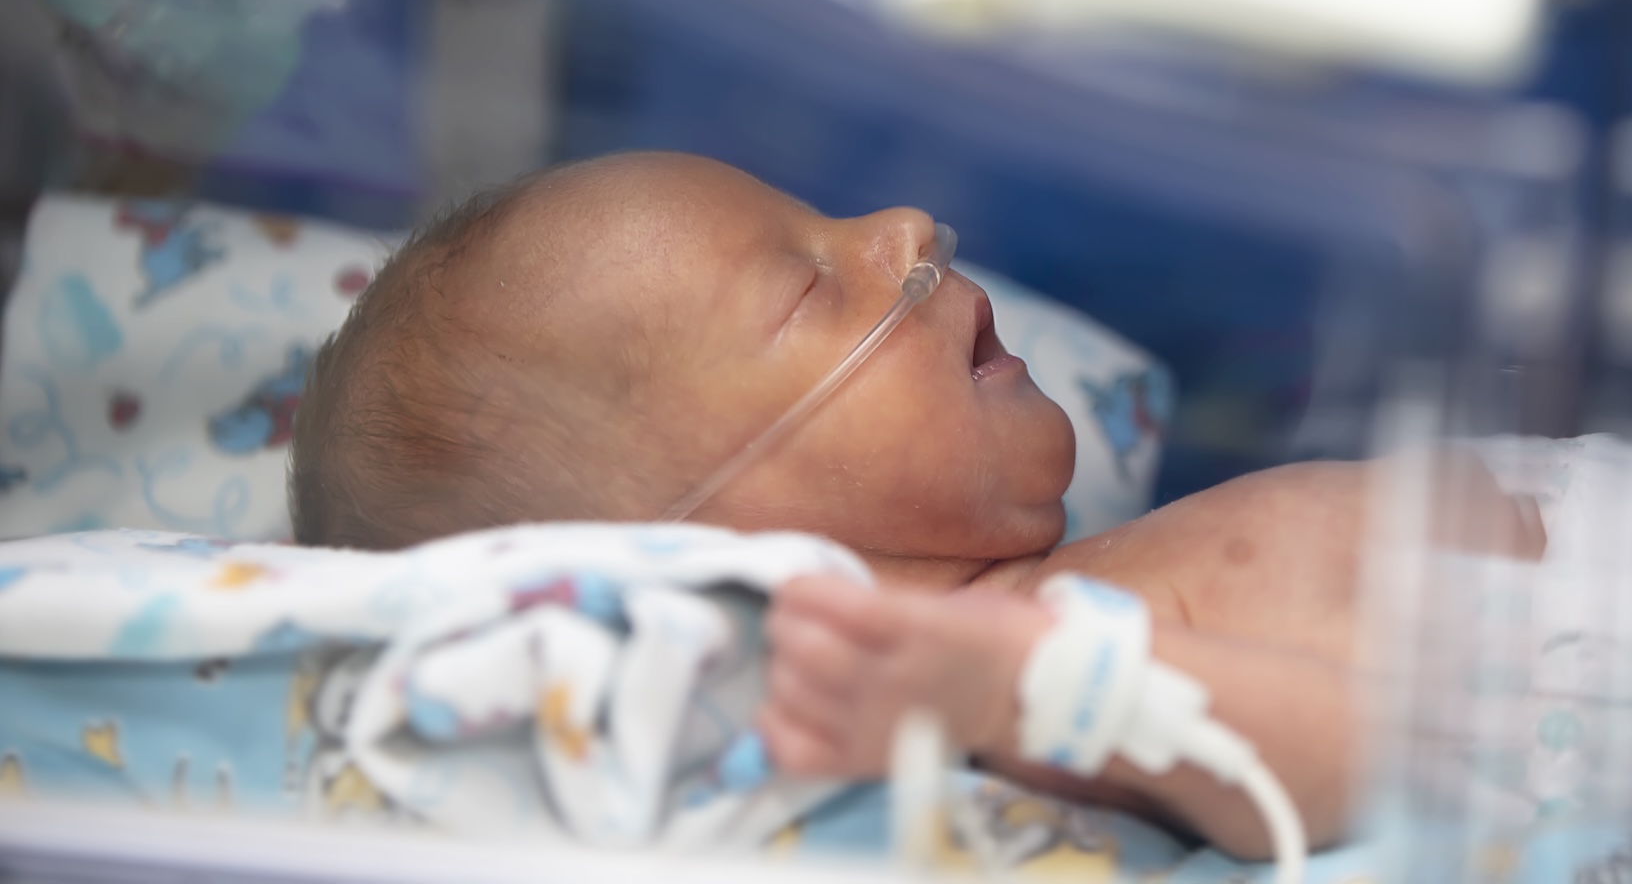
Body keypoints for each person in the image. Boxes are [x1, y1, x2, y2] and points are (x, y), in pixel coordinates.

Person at [290, 151, 1546, 858]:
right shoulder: (1033, 680)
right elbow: (1394, 762)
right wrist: (1016, 685)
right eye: (807, 289)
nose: (896, 224)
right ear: (703, 563)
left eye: (825, 221)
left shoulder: (1062, 601)